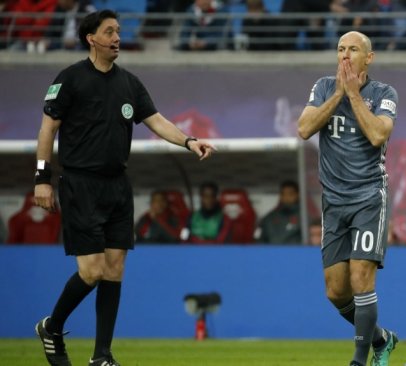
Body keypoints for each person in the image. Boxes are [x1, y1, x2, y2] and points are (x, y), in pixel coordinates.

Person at [32, 10, 215, 366]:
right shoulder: (69, 79)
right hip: (80, 184)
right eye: (110, 31)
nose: (117, 37)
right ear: (91, 38)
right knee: (92, 271)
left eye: (118, 31)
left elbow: (157, 120)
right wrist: (42, 178)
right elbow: (47, 130)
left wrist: (189, 141)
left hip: (117, 185)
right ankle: (52, 327)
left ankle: (102, 355)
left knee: (114, 269)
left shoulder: (130, 83)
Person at [297, 31, 399, 366]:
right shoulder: (325, 86)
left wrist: (353, 96)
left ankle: (359, 360)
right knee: (336, 290)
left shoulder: (384, 93)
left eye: (353, 49)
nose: (345, 55)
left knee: (360, 278)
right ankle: (381, 339)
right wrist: (339, 93)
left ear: (368, 58)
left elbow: (377, 134)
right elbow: (304, 128)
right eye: (341, 49)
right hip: (334, 201)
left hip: (369, 196)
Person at [257, 180, 302, 244]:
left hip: (297, 253)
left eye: (290, 194)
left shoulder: (305, 216)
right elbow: (261, 241)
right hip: (271, 253)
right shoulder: (270, 218)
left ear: (297, 195)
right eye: (283, 194)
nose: (287, 197)